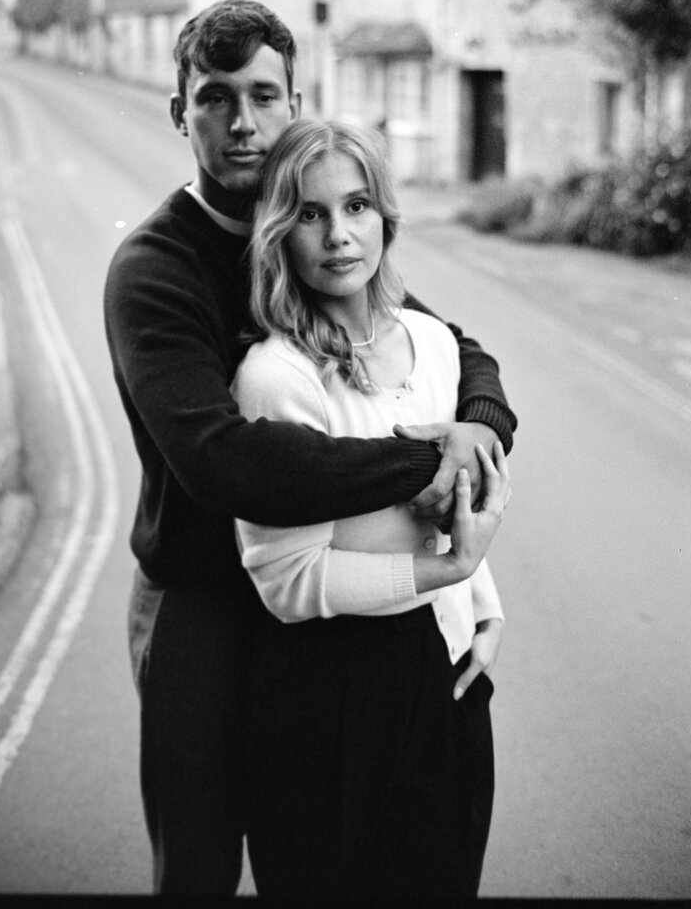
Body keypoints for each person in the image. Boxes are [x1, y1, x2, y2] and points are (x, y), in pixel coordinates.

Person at [103, 0, 517, 895]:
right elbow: (224, 462)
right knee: (204, 868)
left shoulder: (314, 234)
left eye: (263, 94)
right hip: (206, 597)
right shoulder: (155, 269)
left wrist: (477, 429)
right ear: (181, 113)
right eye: (215, 98)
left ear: (296, 100)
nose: (242, 121)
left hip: (320, 610)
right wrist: (430, 460)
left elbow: (448, 349)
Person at [233, 119, 511, 899]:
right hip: (326, 700)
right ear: (279, 235)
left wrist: (481, 605)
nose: (338, 236)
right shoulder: (277, 377)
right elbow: (286, 583)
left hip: (448, 679)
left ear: (385, 216)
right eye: (311, 215)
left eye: (356, 207)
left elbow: (467, 502)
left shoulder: (436, 345)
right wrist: (451, 567)